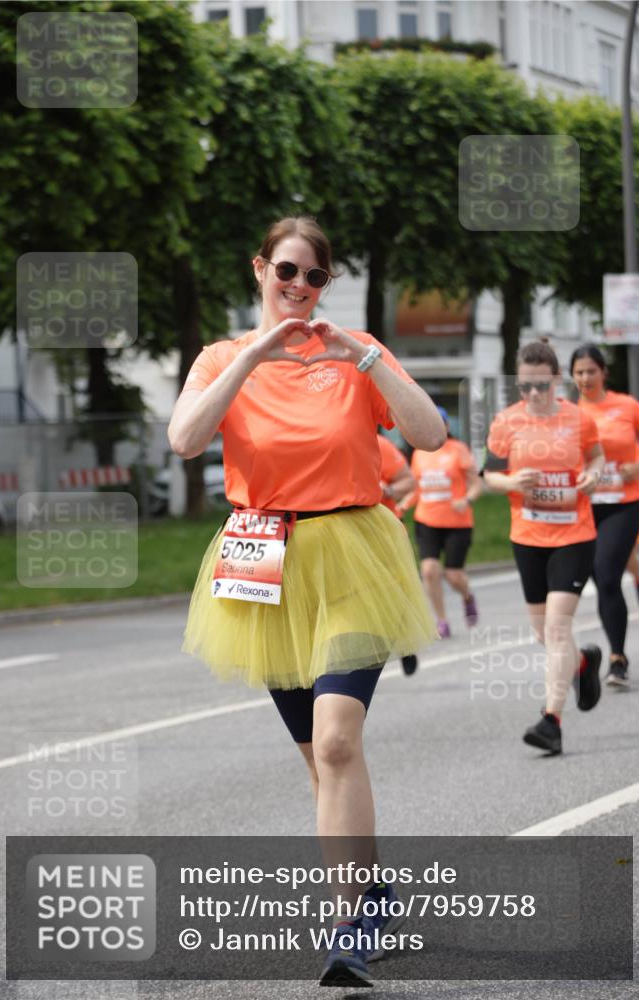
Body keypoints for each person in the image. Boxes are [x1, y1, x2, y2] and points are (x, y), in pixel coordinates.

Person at [168, 216, 445, 987]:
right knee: (318, 761)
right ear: (260, 269)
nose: (298, 287)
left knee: (335, 742)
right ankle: (377, 894)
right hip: (262, 561)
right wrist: (253, 354)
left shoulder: (354, 353)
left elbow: (427, 432)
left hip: (352, 552)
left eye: (313, 277)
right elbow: (186, 439)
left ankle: (349, 924)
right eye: (285, 271)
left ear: (327, 284)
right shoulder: (223, 357)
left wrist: (369, 360)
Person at [484, 340, 605, 756]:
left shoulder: (578, 419)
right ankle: (584, 663)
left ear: (556, 381)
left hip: (574, 535)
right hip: (527, 538)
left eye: (542, 386)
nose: (534, 395)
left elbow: (597, 457)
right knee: (544, 633)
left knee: (556, 628)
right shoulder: (505, 423)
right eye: (525, 388)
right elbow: (490, 476)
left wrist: (592, 475)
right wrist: (512, 483)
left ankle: (551, 720)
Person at [570, 345, 639, 685]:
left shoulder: (627, 406)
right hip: (583, 507)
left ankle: (617, 658)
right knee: (598, 578)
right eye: (578, 372)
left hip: (622, 503)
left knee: (606, 575)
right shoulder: (567, 413)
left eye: (591, 370)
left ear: (603, 372)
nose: (585, 378)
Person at [403, 407, 481, 638]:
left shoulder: (458, 450)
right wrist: (404, 504)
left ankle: (467, 595)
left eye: (441, 422)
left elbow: (476, 484)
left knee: (454, 575)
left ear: (446, 426)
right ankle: (441, 621)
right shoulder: (419, 453)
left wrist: (466, 499)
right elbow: (417, 489)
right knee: (428, 570)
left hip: (457, 522)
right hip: (427, 520)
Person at [376, 433, 422, 675]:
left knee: (395, 594)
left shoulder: (380, 445)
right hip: (342, 537)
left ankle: (405, 643)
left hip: (385, 532)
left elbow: (409, 482)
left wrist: (389, 489)